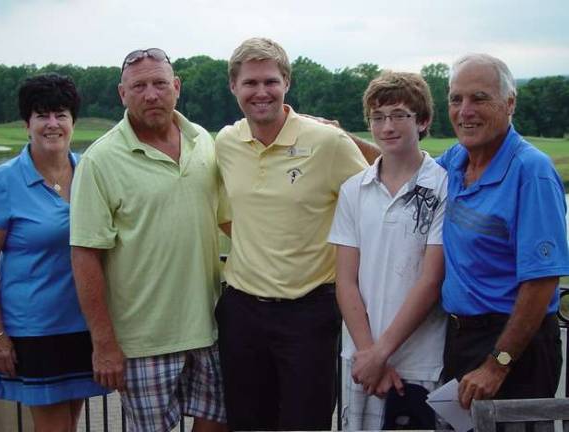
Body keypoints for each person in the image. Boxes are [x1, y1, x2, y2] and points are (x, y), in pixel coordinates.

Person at [215, 37, 368, 431]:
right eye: (250, 83)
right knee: (247, 423)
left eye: (270, 81)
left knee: (305, 423)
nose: (260, 92)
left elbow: (379, 197)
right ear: (234, 87)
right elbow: (228, 216)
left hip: (308, 312)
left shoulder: (328, 142)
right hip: (242, 312)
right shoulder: (226, 142)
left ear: (286, 83)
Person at [70, 48, 227, 432]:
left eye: (159, 83)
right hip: (142, 341)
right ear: (122, 94)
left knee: (220, 424)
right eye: (139, 86)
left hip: (211, 328)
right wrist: (104, 343)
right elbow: (85, 255)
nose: (151, 94)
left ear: (177, 87)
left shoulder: (204, 142)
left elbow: (230, 223)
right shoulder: (100, 160)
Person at [438, 53, 569, 409]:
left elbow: (542, 282)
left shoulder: (532, 172)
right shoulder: (456, 159)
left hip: (513, 347)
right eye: (456, 99)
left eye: (479, 98)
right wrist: (335, 135)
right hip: (462, 337)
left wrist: (498, 365)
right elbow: (400, 171)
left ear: (510, 103)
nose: (465, 110)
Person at [0, 73, 107, 432]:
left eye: (61, 114)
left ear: (73, 121)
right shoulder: (4, 181)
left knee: (69, 424)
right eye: (42, 115)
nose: (52, 124)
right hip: (35, 331)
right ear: (26, 124)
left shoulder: (90, 172)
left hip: (84, 326)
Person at [328, 71, 447, 431]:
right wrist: (369, 355)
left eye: (399, 115)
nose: (387, 126)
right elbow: (345, 280)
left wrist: (382, 354)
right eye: (377, 118)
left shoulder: (443, 186)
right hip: (360, 360)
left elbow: (431, 279)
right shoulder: (354, 190)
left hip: (420, 360)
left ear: (423, 120)